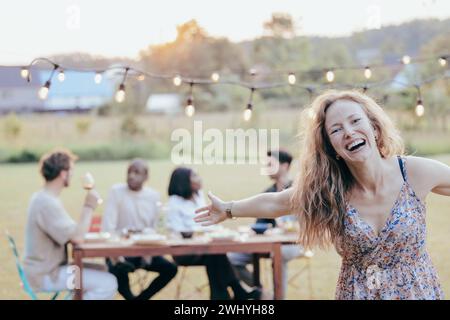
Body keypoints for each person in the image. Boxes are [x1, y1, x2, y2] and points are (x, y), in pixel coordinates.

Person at [195, 90, 450, 300]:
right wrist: (228, 209)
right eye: (336, 130)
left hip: (418, 292)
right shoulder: (330, 190)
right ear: (332, 147)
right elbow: (276, 202)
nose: (348, 132)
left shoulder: (414, 172)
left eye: (355, 121)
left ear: (373, 127)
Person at [23, 149, 118, 300]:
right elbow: (77, 238)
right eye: (71, 170)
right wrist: (88, 206)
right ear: (63, 173)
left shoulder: (45, 198)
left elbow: (73, 232)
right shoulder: (46, 203)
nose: (72, 175)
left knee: (103, 270)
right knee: (108, 283)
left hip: (48, 269)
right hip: (45, 275)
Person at [166, 167, 262, 300]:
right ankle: (237, 290)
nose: (199, 178)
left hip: (204, 247)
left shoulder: (198, 195)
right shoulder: (174, 203)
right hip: (185, 251)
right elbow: (177, 231)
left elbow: (206, 223)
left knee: (215, 255)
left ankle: (225, 295)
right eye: (194, 176)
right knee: (215, 254)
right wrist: (198, 234)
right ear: (184, 181)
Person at [228, 149, 304, 299]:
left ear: (284, 165)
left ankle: (278, 298)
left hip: (293, 244)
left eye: (271, 164)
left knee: (278, 254)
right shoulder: (268, 193)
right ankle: (261, 293)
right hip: (268, 243)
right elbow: (259, 224)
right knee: (232, 258)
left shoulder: (300, 190)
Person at [102, 158, 178, 300]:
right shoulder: (116, 192)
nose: (131, 175)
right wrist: (117, 257)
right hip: (119, 252)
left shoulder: (153, 196)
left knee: (171, 269)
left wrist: (148, 252)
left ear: (146, 176)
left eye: (136, 172)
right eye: (129, 172)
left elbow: (156, 228)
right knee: (119, 271)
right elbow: (108, 228)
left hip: (145, 251)